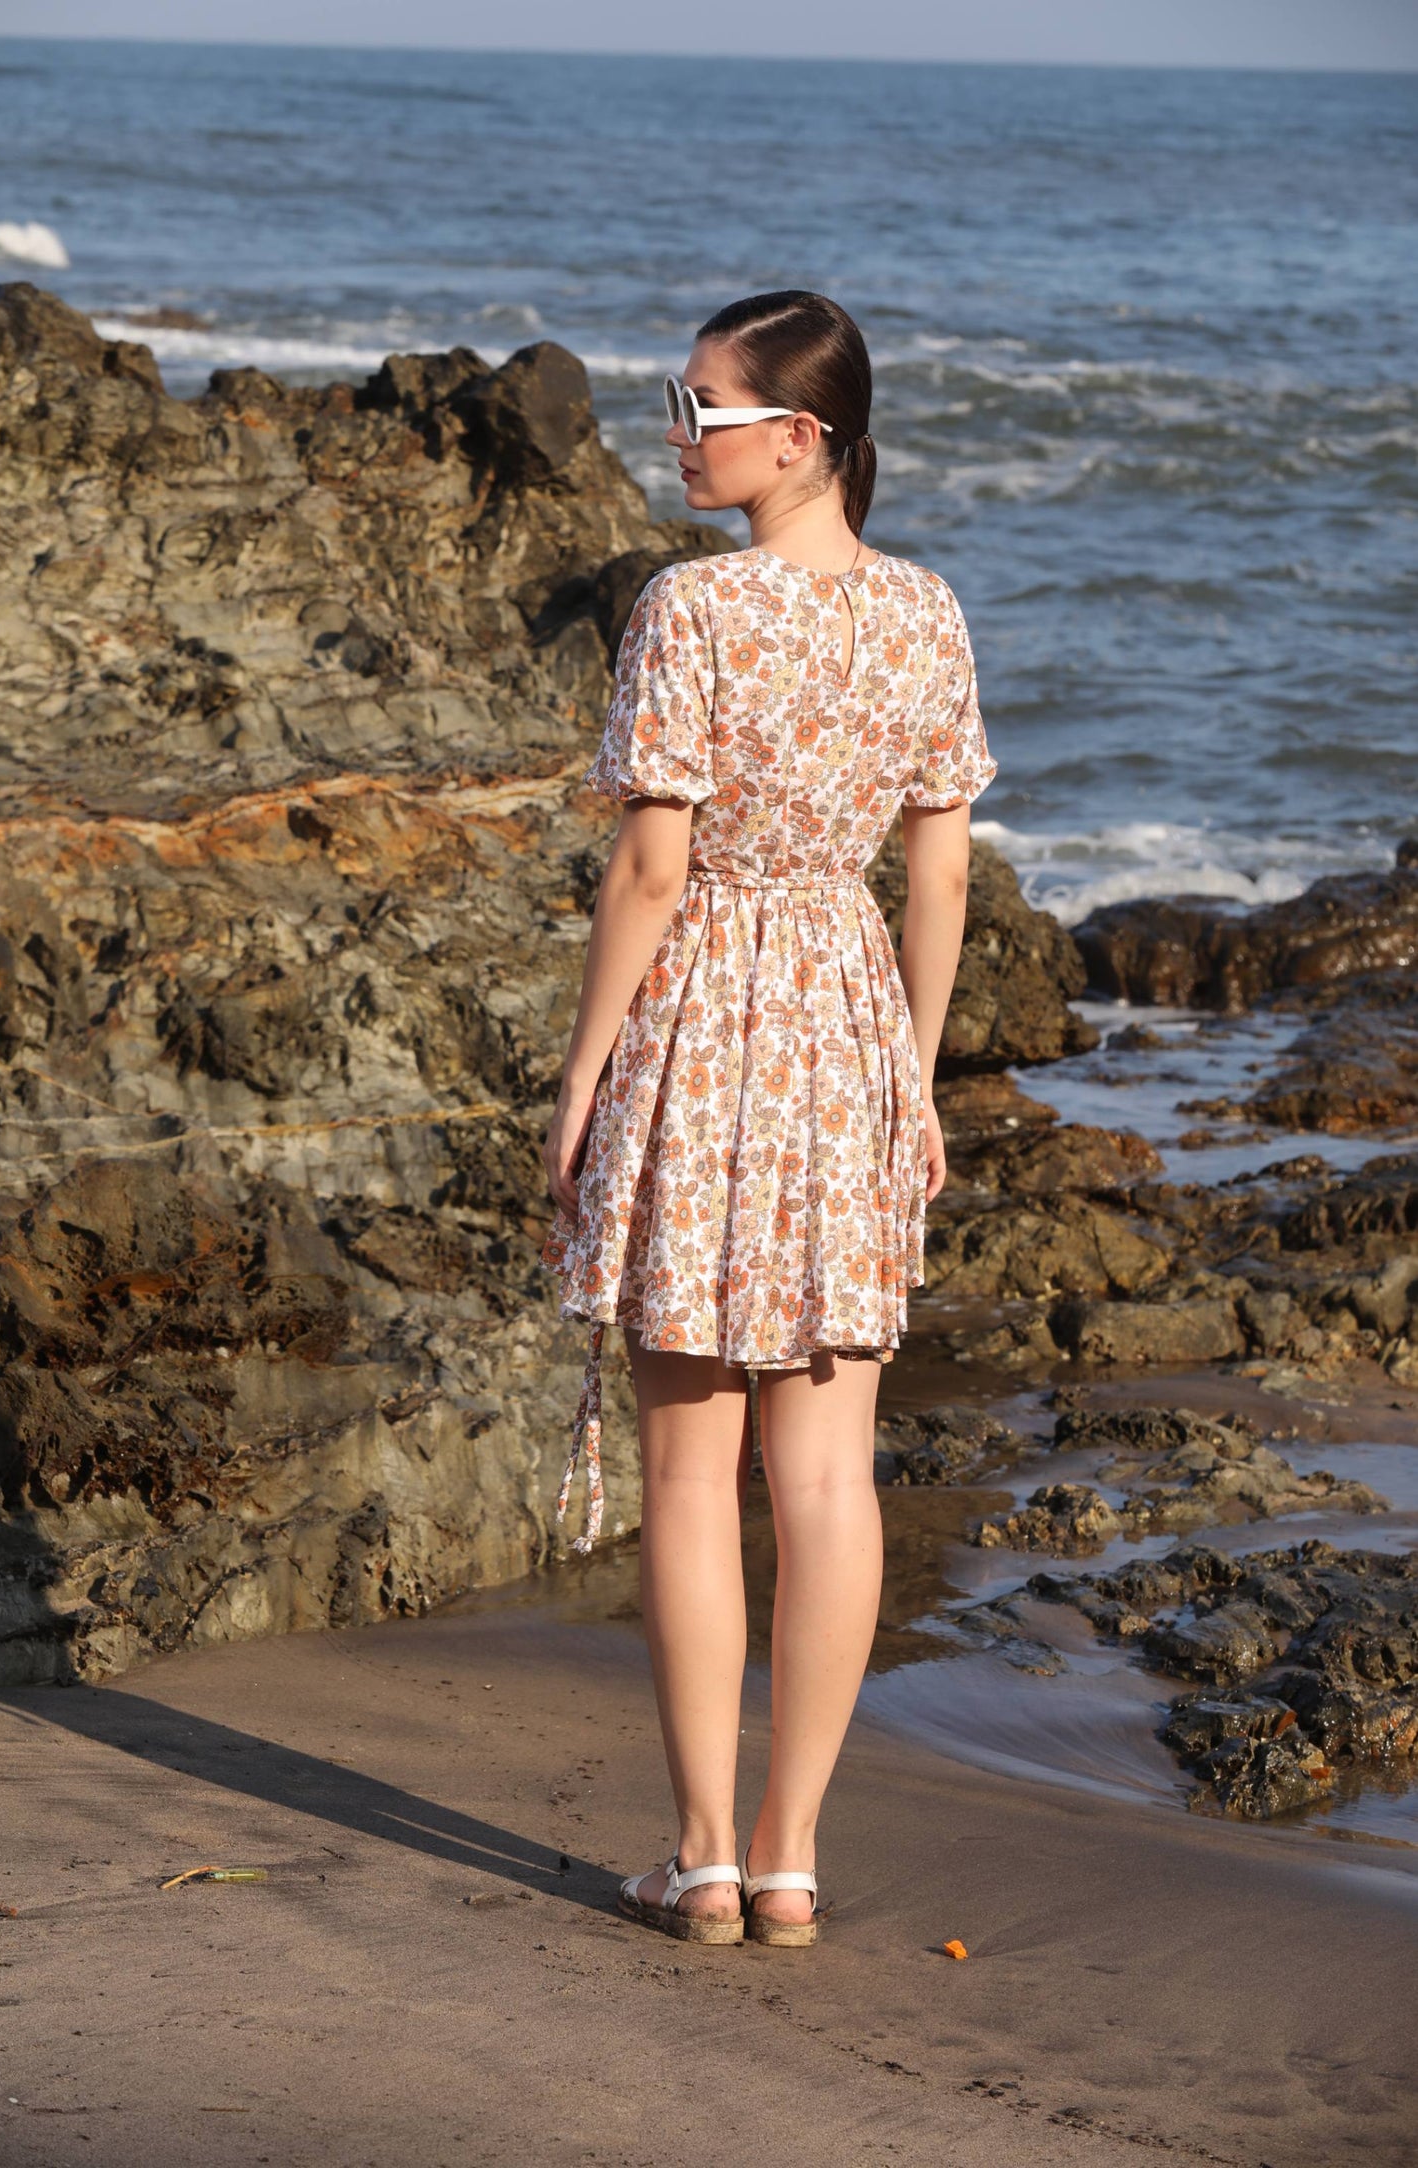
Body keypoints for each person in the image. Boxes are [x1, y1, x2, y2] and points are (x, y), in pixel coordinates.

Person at [539, 290, 997, 1948]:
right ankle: (793, 1857)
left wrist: (586, 1072)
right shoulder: (926, 614)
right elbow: (936, 867)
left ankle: (701, 1856)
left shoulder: (693, 609)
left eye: (704, 404)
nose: (679, 428)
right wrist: (914, 1079)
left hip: (707, 1017)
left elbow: (654, 867)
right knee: (823, 1474)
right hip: (844, 1026)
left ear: (798, 438)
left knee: (688, 1469)